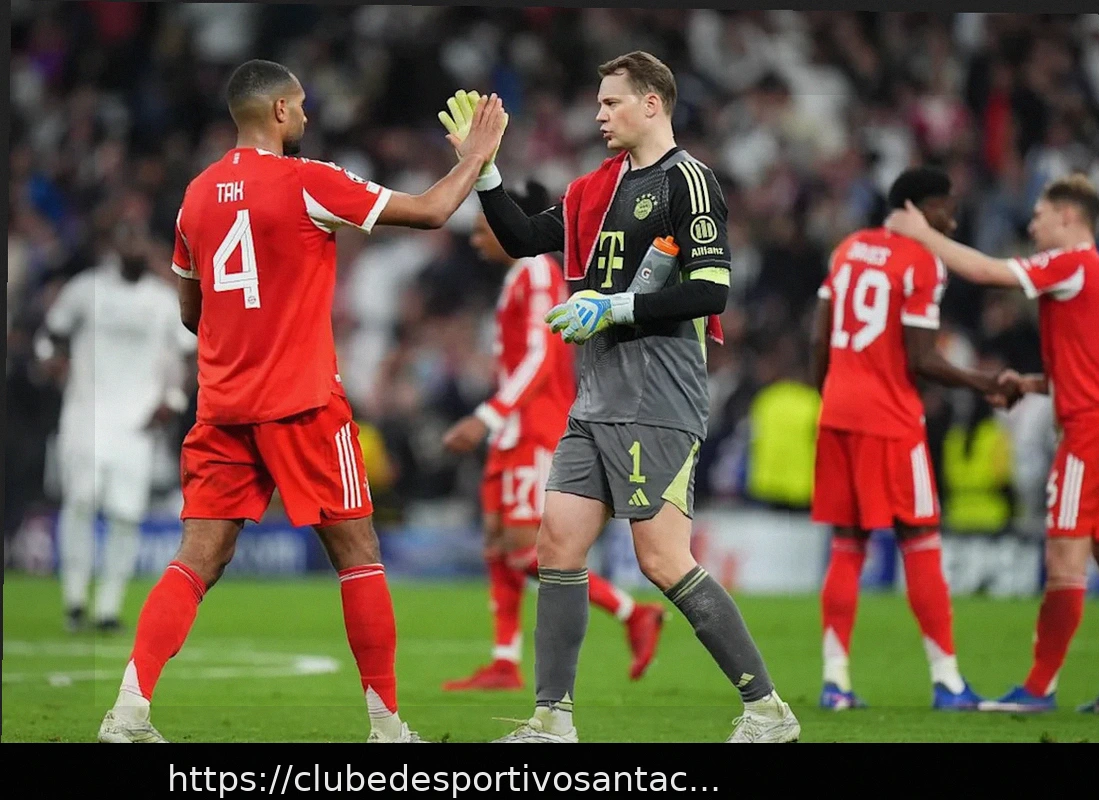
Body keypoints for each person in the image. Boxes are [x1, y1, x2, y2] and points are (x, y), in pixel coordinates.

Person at [97, 58, 507, 743]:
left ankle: (127, 711)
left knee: (196, 556)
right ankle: (386, 727)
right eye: (304, 105)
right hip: (303, 403)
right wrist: (476, 157)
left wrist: (245, 331)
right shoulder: (308, 181)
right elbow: (433, 211)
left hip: (223, 407)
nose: (309, 116)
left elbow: (192, 312)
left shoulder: (194, 196)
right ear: (281, 112)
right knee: (358, 551)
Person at [440, 51, 800, 743]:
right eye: (599, 103)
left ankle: (767, 709)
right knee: (557, 546)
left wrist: (614, 308)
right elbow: (519, 237)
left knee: (662, 560)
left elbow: (711, 289)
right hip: (596, 399)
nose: (599, 115)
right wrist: (482, 168)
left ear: (652, 104)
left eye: (611, 103)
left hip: (658, 397)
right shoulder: (593, 190)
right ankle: (552, 720)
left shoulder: (689, 182)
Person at [887, 173, 1099, 714]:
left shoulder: (1071, 263)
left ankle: (1038, 689)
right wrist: (1034, 384)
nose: (1032, 225)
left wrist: (922, 232)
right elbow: (1098, 365)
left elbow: (985, 272)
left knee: (1064, 561)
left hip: (1091, 429)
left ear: (1068, 219)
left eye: (1039, 216)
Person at [441, 182, 665, 691]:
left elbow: (544, 356)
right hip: (512, 431)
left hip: (534, 428)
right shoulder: (517, 276)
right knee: (498, 543)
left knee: (529, 549)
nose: (477, 238)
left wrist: (490, 416)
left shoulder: (539, 269)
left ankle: (633, 613)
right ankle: (504, 660)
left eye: (483, 228)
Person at [810, 167, 1015, 712]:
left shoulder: (849, 248)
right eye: (945, 208)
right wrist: (983, 382)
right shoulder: (922, 261)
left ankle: (836, 682)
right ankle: (948, 681)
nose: (952, 217)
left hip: (839, 411)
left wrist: (826, 394)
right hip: (891, 419)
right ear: (919, 207)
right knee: (920, 540)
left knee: (848, 546)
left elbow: (820, 332)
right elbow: (923, 358)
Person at [43, 216, 196, 635]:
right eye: (126, 239)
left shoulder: (163, 301)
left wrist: (172, 400)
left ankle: (108, 607)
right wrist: (52, 362)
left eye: (140, 240)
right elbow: (50, 334)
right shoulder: (85, 289)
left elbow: (187, 355)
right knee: (80, 503)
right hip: (85, 416)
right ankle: (74, 601)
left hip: (137, 425)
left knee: (126, 517)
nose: (134, 248)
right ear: (113, 245)